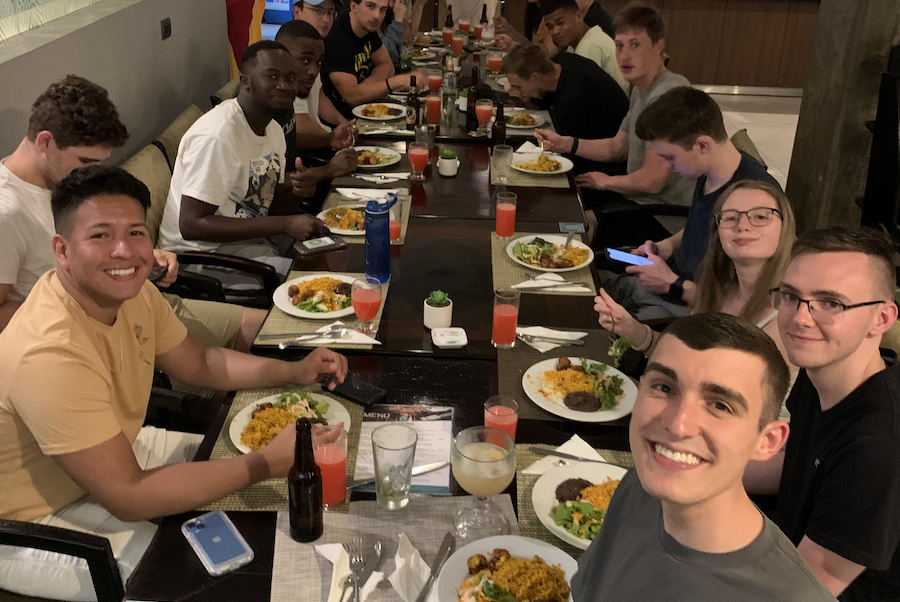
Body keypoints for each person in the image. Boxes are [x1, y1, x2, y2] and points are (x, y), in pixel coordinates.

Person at [0, 165, 349, 601]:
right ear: (62, 249)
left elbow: (201, 363)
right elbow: (128, 497)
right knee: (201, 581)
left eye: (135, 233)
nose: (124, 251)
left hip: (117, 450)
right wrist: (265, 462)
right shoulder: (48, 352)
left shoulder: (133, 293)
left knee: (273, 491)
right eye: (100, 235)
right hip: (34, 517)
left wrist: (294, 371)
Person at [571, 313, 835, 601]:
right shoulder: (638, 487)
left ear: (767, 441)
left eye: (720, 406)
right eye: (664, 387)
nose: (678, 424)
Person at [0, 75, 265, 351]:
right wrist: (89, 299)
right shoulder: (7, 211)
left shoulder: (65, 182)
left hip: (141, 303)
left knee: (270, 330)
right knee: (240, 361)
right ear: (45, 142)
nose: (90, 173)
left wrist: (142, 258)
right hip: (91, 333)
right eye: (85, 161)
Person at [744, 226, 900, 599]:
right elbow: (798, 466)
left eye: (831, 303)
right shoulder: (821, 372)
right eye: (791, 296)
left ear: (881, 318)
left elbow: (804, 591)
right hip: (784, 549)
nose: (800, 318)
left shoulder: (876, 446)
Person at [596, 87, 780, 319]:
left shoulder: (752, 204)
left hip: (688, 310)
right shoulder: (710, 169)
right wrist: (667, 246)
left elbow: (748, 306)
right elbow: (700, 224)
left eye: (671, 157)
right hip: (668, 285)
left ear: (702, 145)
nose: (668, 166)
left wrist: (672, 285)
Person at [158, 41, 329, 269]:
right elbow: (191, 225)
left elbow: (267, 207)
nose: (284, 86)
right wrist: (284, 224)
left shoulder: (273, 129)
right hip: (197, 255)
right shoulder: (217, 136)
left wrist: (298, 191)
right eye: (271, 76)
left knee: (330, 249)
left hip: (248, 239)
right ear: (245, 81)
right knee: (305, 281)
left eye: (290, 78)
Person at [596, 180, 794, 366]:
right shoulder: (719, 289)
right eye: (731, 217)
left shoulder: (787, 318)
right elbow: (684, 359)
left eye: (760, 216)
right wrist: (633, 330)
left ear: (784, 227)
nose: (742, 225)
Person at [535, 2, 694, 218]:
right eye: (619, 45)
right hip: (635, 200)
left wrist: (608, 182)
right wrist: (567, 143)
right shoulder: (642, 90)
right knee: (556, 199)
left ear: (658, 46)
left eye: (635, 45)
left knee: (569, 218)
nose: (624, 55)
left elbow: (652, 180)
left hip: (662, 218)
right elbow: (617, 147)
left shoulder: (668, 95)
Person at [501, 42, 628, 239]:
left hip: (605, 168)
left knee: (530, 198)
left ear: (535, 77)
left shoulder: (574, 95)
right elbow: (546, 99)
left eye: (518, 86)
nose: (516, 92)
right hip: (590, 146)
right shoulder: (561, 63)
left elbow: (564, 153)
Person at [321, 0, 425, 119]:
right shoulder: (338, 41)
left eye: (383, 10)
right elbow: (352, 97)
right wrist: (397, 81)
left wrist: (365, 88)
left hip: (364, 110)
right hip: (343, 122)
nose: (377, 16)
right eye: (370, 6)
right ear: (353, 6)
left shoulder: (366, 27)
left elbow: (387, 65)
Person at [291, 0, 358, 150]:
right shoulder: (290, 54)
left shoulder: (316, 47)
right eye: (317, 10)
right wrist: (332, 138)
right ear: (297, 12)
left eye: (329, 12)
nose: (325, 19)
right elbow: (299, 125)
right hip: (307, 153)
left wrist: (345, 125)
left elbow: (319, 97)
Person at [540, 0, 627, 93]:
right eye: (550, 27)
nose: (555, 31)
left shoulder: (591, 45)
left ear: (579, 16)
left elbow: (581, 94)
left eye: (560, 23)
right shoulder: (575, 45)